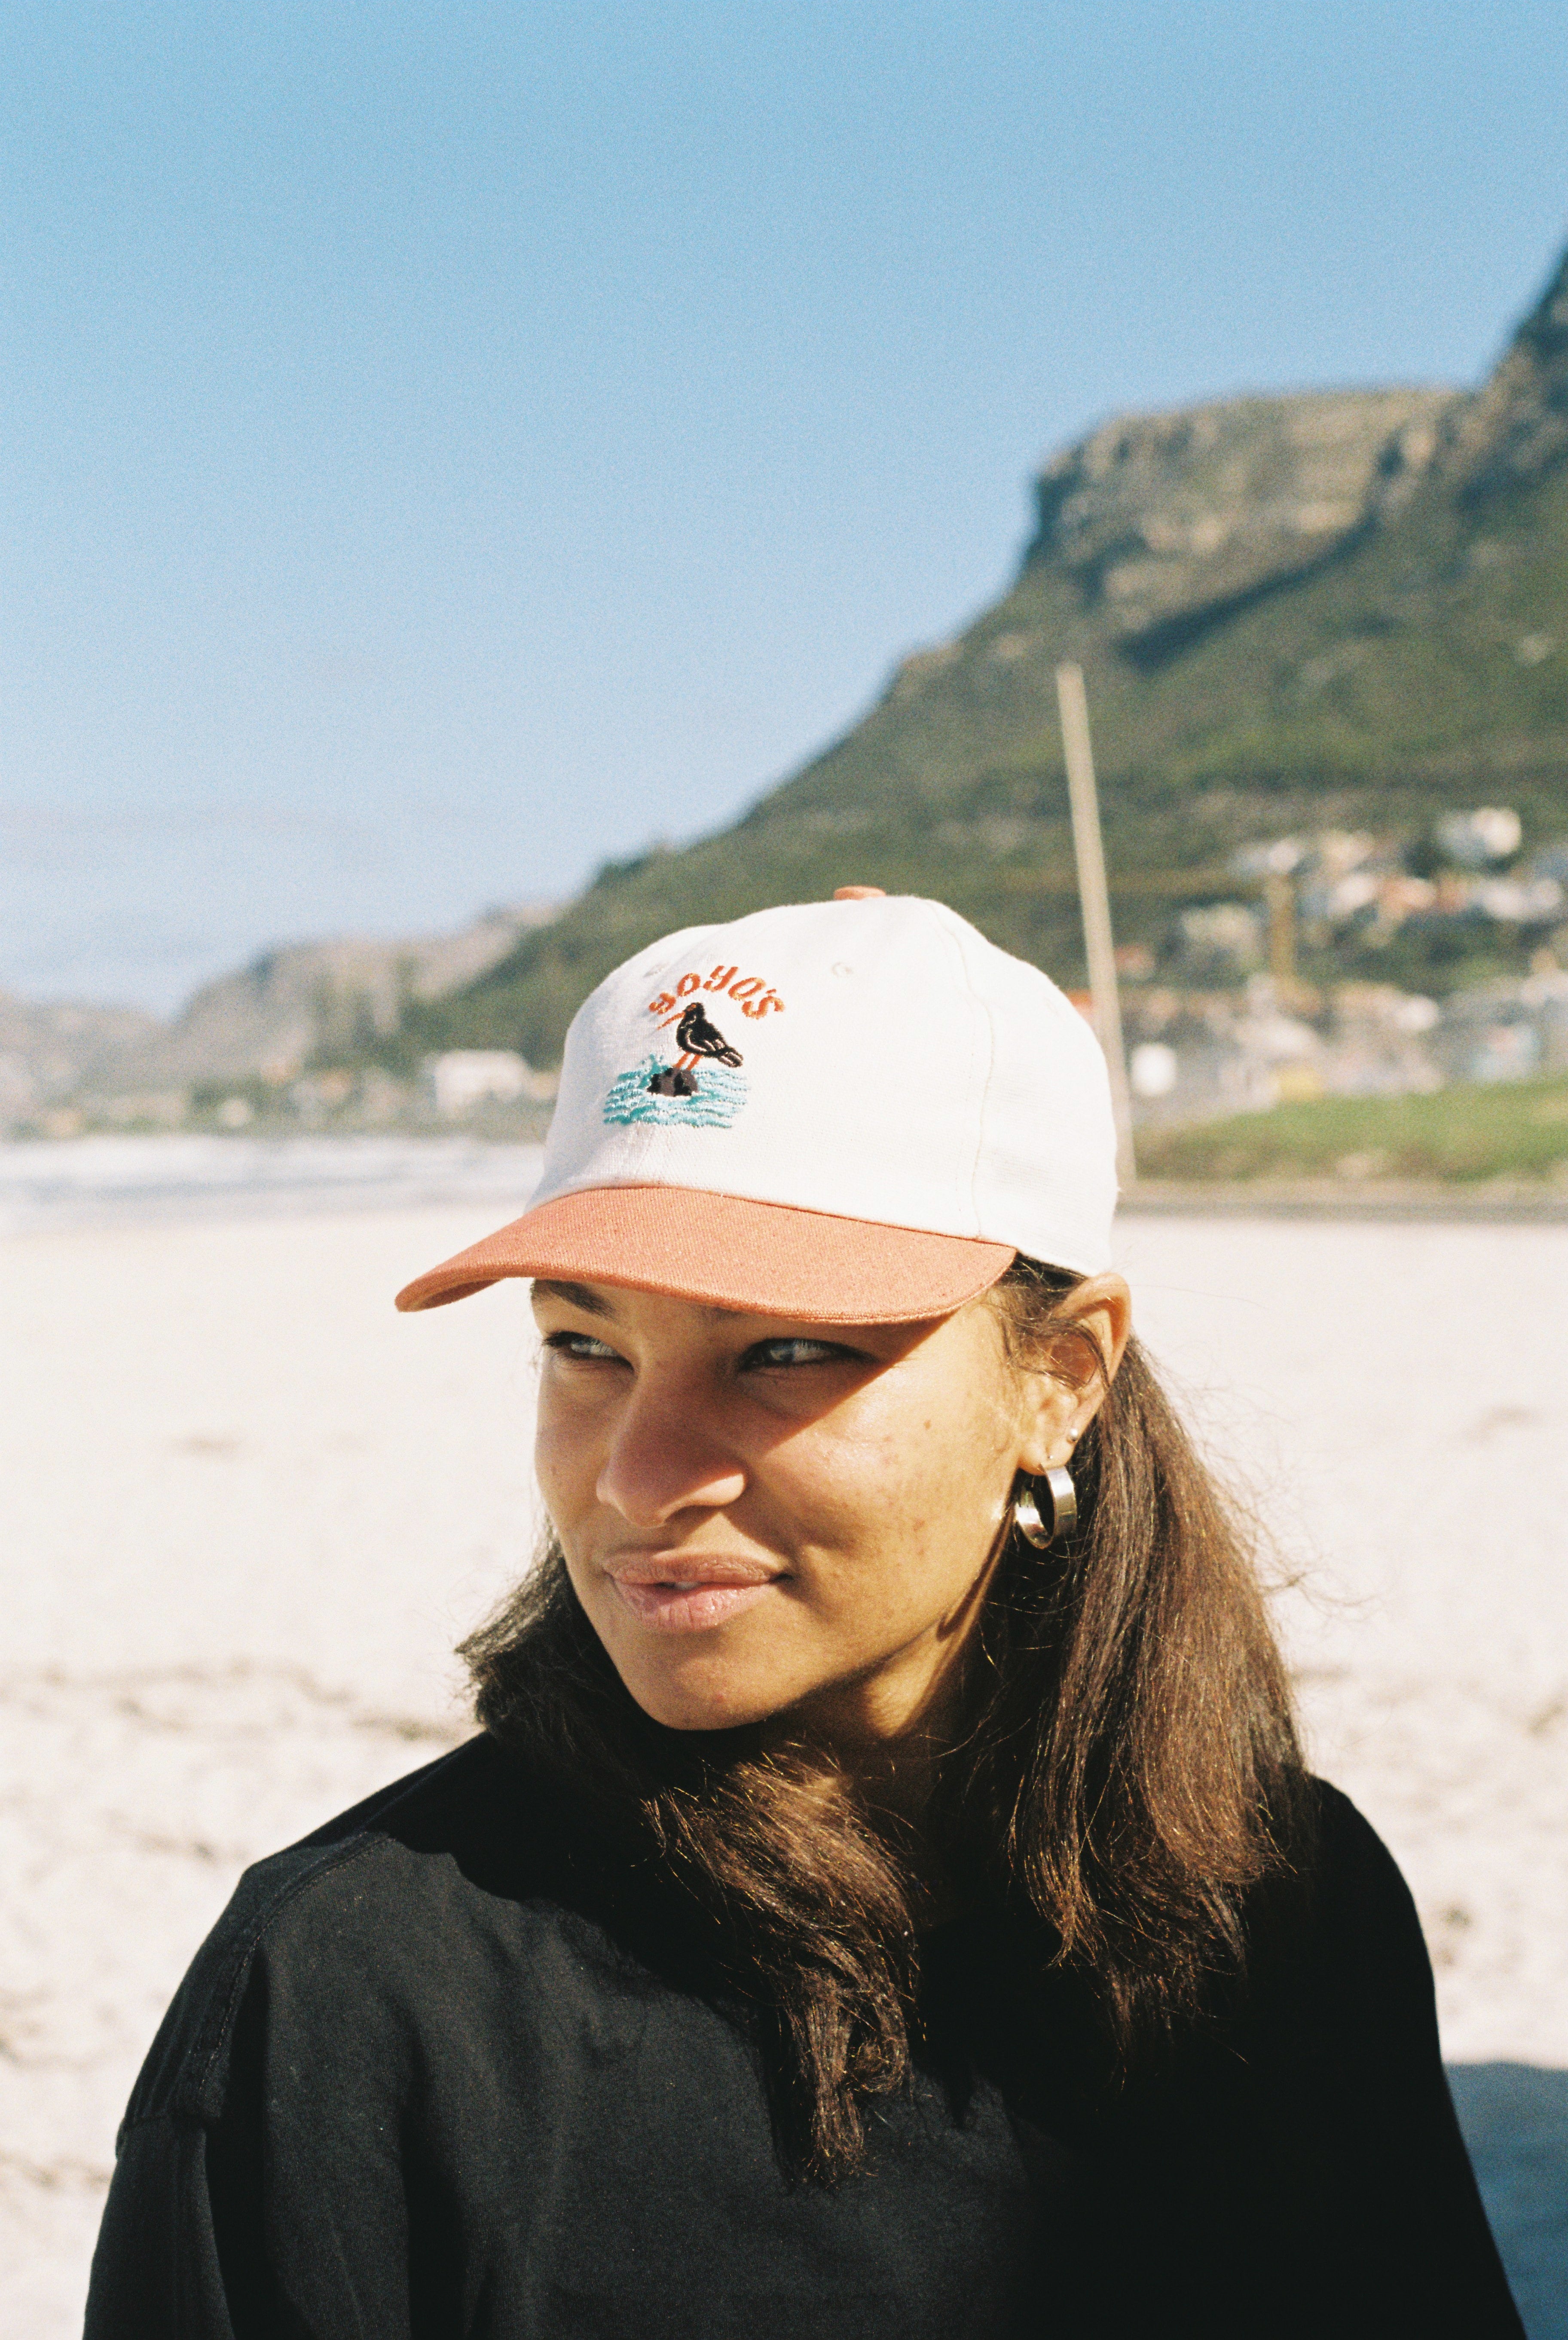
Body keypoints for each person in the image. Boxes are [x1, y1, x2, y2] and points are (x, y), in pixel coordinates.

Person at [86, 891, 1522, 2339]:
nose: (639, 1478)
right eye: (583, 1345)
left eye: (780, 1349)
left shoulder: (1287, 1908)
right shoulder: (355, 2001)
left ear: (1060, 1378)